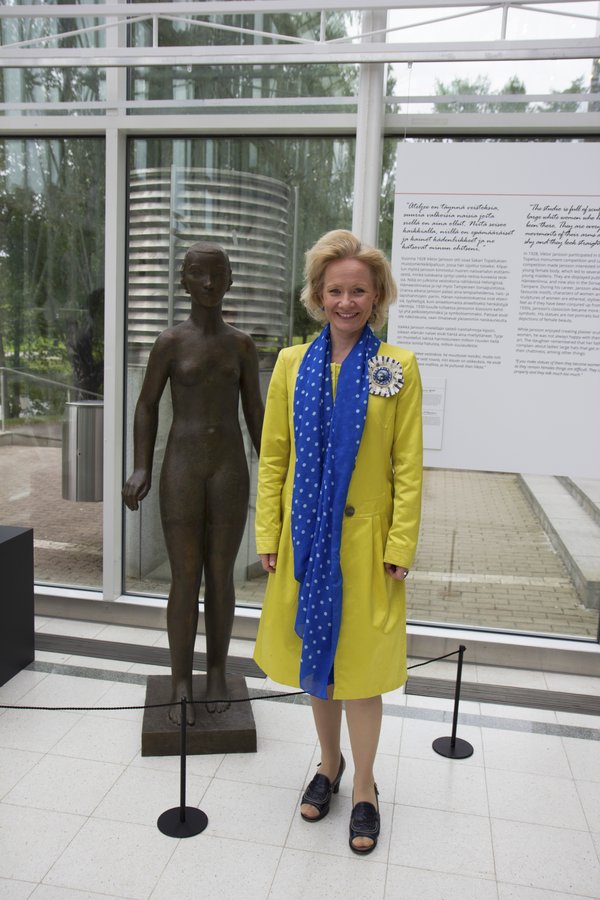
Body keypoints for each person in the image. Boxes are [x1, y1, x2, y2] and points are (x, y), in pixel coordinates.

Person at [254, 229, 422, 854]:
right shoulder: (291, 363)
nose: (346, 301)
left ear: (376, 296)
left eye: (358, 290)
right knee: (317, 667)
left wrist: (400, 544)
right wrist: (267, 533)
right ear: (317, 296)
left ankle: (366, 788)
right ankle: (329, 766)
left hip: (366, 548)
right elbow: (274, 456)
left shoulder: (396, 367)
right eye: (335, 290)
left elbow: (409, 466)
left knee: (362, 673)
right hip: (303, 543)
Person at [123, 241, 264, 725]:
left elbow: (254, 412)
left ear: (230, 279)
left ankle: (218, 671)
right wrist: (142, 466)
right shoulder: (170, 343)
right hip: (182, 466)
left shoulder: (241, 345)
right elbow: (145, 406)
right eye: (198, 274)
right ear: (183, 280)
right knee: (186, 577)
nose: (208, 283)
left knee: (221, 575)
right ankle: (181, 678)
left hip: (228, 466)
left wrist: (277, 470)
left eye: (217, 274)